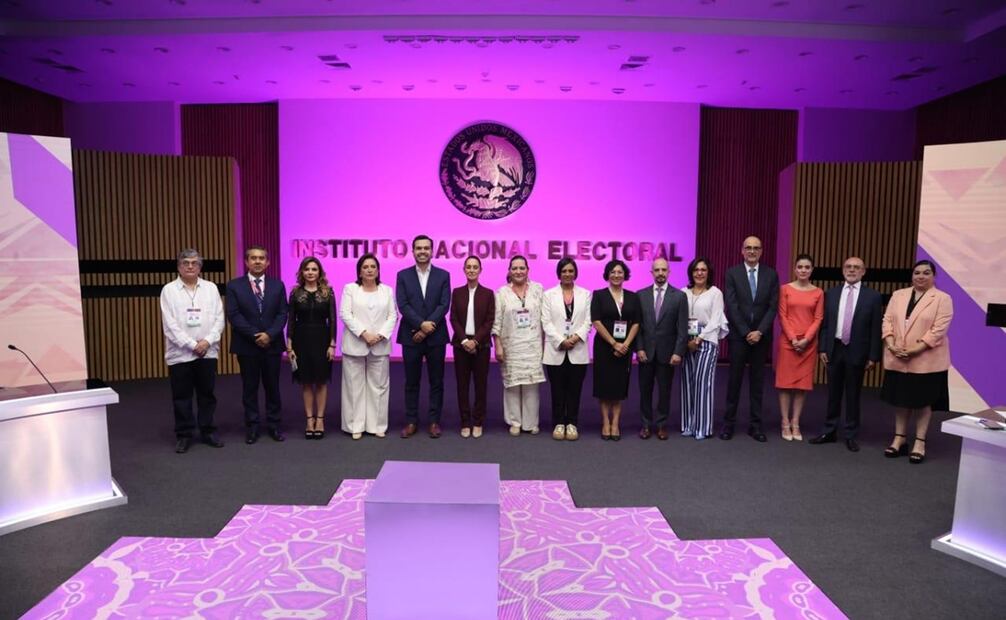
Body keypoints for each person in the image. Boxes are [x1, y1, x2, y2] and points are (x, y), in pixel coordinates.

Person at [880, 259, 953, 464]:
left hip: (925, 360)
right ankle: (899, 439)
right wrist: (891, 343)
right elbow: (887, 320)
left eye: (926, 273)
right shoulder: (898, 295)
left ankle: (920, 442)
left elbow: (938, 330)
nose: (921, 276)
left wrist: (914, 350)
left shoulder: (942, 298)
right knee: (901, 401)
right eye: (917, 272)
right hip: (897, 356)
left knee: (923, 402)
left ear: (934, 276)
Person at [809, 256, 882, 452]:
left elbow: (876, 329)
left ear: (863, 271)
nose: (852, 270)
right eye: (848, 267)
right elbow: (825, 325)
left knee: (853, 394)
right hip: (834, 348)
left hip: (857, 351)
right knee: (832, 393)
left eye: (856, 267)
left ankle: (850, 434)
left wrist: (874, 356)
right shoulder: (831, 294)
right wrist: (822, 348)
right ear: (843, 270)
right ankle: (829, 430)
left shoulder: (873, 297)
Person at [159, 249, 225, 453]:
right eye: (185, 262)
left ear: (200, 267)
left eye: (194, 263)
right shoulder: (169, 290)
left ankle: (207, 431)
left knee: (207, 394)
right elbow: (169, 325)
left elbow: (219, 319)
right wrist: (191, 345)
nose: (190, 266)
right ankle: (184, 434)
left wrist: (206, 341)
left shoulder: (211, 288)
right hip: (181, 354)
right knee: (182, 396)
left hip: (208, 351)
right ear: (178, 266)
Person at [226, 245, 289, 444]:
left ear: (268, 262)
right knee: (249, 387)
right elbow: (234, 315)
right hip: (247, 345)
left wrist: (269, 335)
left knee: (273, 387)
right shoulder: (234, 286)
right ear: (246, 262)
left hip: (272, 344)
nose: (257, 261)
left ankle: (274, 425)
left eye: (261, 258)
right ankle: (252, 427)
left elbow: (282, 314)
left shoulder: (278, 285)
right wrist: (255, 335)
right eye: (253, 258)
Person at [721, 236, 779, 442]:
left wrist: (759, 331)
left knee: (757, 383)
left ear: (761, 251)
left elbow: (773, 306)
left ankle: (755, 426)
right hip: (739, 336)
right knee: (734, 382)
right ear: (742, 251)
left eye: (756, 248)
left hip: (761, 338)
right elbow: (731, 305)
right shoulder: (732, 273)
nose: (752, 251)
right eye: (748, 248)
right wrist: (746, 331)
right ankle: (728, 424)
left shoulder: (771, 275)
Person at [395, 235, 451, 438]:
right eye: (419, 248)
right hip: (411, 336)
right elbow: (403, 305)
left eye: (426, 248)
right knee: (411, 381)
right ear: (412, 251)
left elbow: (444, 305)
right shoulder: (403, 275)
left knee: (437, 381)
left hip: (436, 337)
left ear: (432, 251)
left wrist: (427, 327)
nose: (422, 251)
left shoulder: (443, 275)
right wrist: (420, 324)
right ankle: (411, 421)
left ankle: (434, 421)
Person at [340, 254, 397, 439]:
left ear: (378, 270)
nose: (370, 270)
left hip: (380, 344)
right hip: (356, 342)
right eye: (365, 267)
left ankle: (377, 425)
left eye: (373, 266)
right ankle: (355, 425)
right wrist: (364, 333)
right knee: (354, 386)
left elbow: (392, 315)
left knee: (379, 386)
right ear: (359, 270)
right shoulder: (350, 289)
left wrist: (379, 335)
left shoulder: (386, 290)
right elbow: (345, 313)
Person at [635, 258, 688, 440]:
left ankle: (662, 424)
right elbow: (638, 326)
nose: (660, 273)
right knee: (645, 390)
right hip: (646, 353)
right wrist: (639, 348)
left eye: (663, 270)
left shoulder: (679, 297)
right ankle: (645, 425)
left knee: (665, 391)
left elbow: (682, 328)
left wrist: (678, 352)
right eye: (657, 270)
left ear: (669, 272)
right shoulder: (640, 295)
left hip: (668, 354)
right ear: (651, 272)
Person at [493, 256, 546, 435]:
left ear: (528, 270)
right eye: (514, 268)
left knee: (532, 385)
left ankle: (530, 423)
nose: (518, 271)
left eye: (522, 268)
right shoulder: (501, 293)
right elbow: (496, 322)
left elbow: (545, 319)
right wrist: (498, 345)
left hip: (533, 344)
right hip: (511, 345)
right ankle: (514, 421)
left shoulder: (538, 290)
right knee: (512, 385)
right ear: (509, 271)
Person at [541, 258, 592, 441]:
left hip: (578, 350)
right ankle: (558, 423)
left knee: (574, 389)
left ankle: (572, 423)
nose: (567, 274)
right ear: (559, 273)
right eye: (564, 271)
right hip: (556, 350)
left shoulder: (585, 294)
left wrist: (575, 338)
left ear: (575, 273)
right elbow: (545, 322)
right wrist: (561, 340)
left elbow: (588, 321)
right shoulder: (549, 295)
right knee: (557, 389)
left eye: (571, 271)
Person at [774, 254, 824, 442]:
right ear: (795, 269)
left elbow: (818, 318)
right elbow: (782, 315)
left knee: (802, 386)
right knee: (785, 385)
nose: (803, 270)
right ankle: (785, 422)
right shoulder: (785, 289)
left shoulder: (818, 292)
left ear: (812, 270)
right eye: (800, 267)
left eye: (807, 267)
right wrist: (794, 338)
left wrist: (806, 339)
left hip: (808, 345)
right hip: (789, 342)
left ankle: (796, 422)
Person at [591, 259, 642, 441]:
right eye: (613, 272)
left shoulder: (632, 296)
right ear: (607, 274)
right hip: (605, 347)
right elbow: (596, 321)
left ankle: (616, 423)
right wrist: (614, 343)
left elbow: (636, 322)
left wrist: (626, 344)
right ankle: (605, 422)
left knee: (619, 387)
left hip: (624, 348)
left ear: (625, 275)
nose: (616, 275)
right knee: (605, 387)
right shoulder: (598, 295)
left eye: (620, 272)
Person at [286, 257, 335, 440]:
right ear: (302, 272)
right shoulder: (295, 293)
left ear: (319, 272)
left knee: (321, 381)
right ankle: (309, 419)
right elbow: (290, 320)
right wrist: (289, 344)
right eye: (307, 269)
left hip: (322, 340)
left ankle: (320, 419)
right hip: (301, 340)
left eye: (314, 269)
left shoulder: (328, 292)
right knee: (306, 381)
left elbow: (333, 320)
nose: (311, 272)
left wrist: (332, 344)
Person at [680, 258, 728, 440]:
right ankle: (688, 424)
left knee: (702, 383)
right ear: (691, 272)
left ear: (709, 273)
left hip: (706, 339)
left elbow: (716, 319)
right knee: (687, 383)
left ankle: (703, 427)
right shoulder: (684, 292)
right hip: (687, 340)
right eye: (696, 270)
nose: (699, 273)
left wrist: (699, 339)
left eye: (703, 270)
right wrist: (686, 339)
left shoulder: (716, 293)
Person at [449, 256, 495, 438]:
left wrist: (475, 341)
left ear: (480, 270)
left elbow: (489, 321)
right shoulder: (457, 292)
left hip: (481, 346)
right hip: (460, 345)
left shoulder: (488, 293)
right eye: (468, 267)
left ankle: (478, 421)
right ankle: (465, 422)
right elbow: (453, 318)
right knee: (462, 385)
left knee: (480, 385)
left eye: (475, 267)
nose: (472, 270)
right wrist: (464, 341)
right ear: (464, 269)